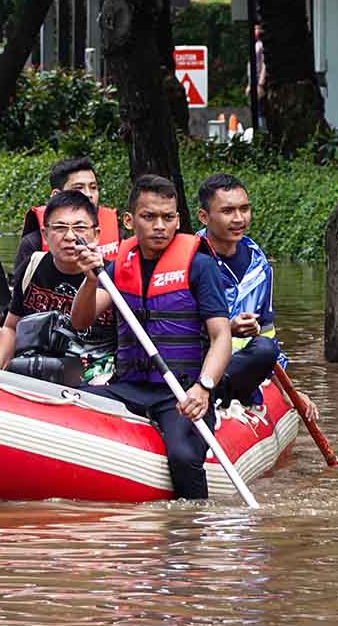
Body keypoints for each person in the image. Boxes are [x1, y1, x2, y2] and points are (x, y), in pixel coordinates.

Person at [71, 175, 232, 500]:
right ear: (130, 221)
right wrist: (90, 279)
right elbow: (81, 319)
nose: (160, 226)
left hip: (179, 391)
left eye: (168, 217)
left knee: (184, 457)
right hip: (127, 387)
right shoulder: (118, 267)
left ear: (178, 220)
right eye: (149, 217)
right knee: (69, 404)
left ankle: (192, 532)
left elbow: (221, 336)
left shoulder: (200, 267)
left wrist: (204, 388)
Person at [196, 173, 317, 419]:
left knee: (265, 348)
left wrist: (289, 391)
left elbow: (267, 331)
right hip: (196, 362)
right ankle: (208, 397)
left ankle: (224, 398)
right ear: (204, 216)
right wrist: (227, 329)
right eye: (228, 211)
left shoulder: (258, 264)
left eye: (244, 209)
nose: (239, 219)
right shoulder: (189, 259)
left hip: (237, 368)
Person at [0, 191, 117, 384]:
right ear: (45, 234)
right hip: (37, 358)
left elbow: (81, 321)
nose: (70, 236)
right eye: (59, 228)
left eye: (80, 228)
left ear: (96, 234)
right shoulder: (33, 266)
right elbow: (10, 327)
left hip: (93, 368)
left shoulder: (110, 275)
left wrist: (91, 279)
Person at [13, 157, 123, 276]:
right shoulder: (33, 242)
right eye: (79, 188)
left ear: (97, 234)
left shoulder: (118, 234)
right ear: (56, 195)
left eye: (93, 187)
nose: (89, 194)